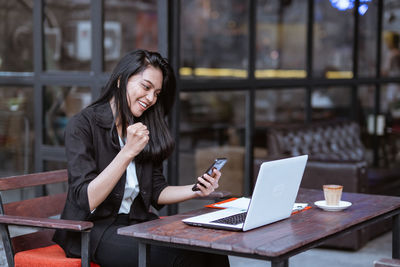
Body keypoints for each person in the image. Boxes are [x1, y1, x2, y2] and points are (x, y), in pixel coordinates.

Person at [53, 49, 230, 267]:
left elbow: (156, 190)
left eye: (156, 93)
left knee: (212, 249)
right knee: (182, 258)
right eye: (146, 87)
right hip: (93, 230)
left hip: (136, 223)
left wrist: (196, 188)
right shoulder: (82, 126)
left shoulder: (142, 128)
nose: (151, 98)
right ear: (121, 80)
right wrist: (127, 152)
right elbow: (87, 199)